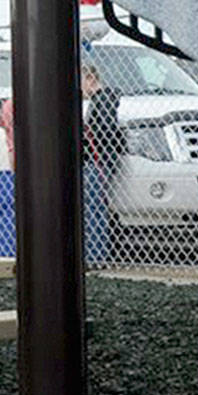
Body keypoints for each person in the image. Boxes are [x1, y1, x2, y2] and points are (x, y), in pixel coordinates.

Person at [82, 63, 124, 262]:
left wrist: (87, 135)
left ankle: (95, 254)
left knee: (93, 207)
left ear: (90, 79)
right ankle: (95, 252)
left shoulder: (103, 100)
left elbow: (106, 129)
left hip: (99, 159)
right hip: (101, 158)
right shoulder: (102, 99)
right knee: (94, 206)